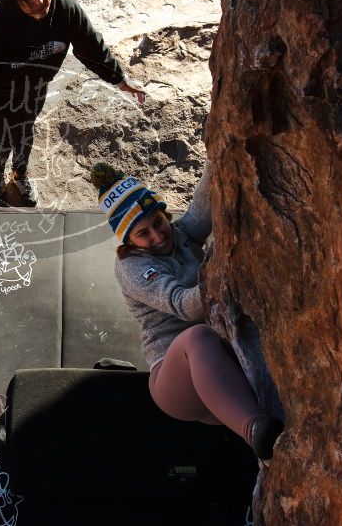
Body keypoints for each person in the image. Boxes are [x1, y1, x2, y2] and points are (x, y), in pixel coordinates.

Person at [91, 161, 284, 460]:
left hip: (219, 377)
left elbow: (202, 207)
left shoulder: (181, 235)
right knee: (198, 337)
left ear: (165, 215)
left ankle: (263, 414)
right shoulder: (132, 267)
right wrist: (223, 276)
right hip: (177, 385)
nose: (157, 235)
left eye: (158, 222)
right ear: (129, 241)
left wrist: (218, 154)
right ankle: (253, 429)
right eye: (143, 233)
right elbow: (182, 304)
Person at [0, 0, 146, 207]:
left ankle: (19, 176)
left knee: (24, 136)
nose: (39, 2)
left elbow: (92, 48)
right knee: (0, 143)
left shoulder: (67, 10)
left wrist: (120, 80)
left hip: (34, 92)